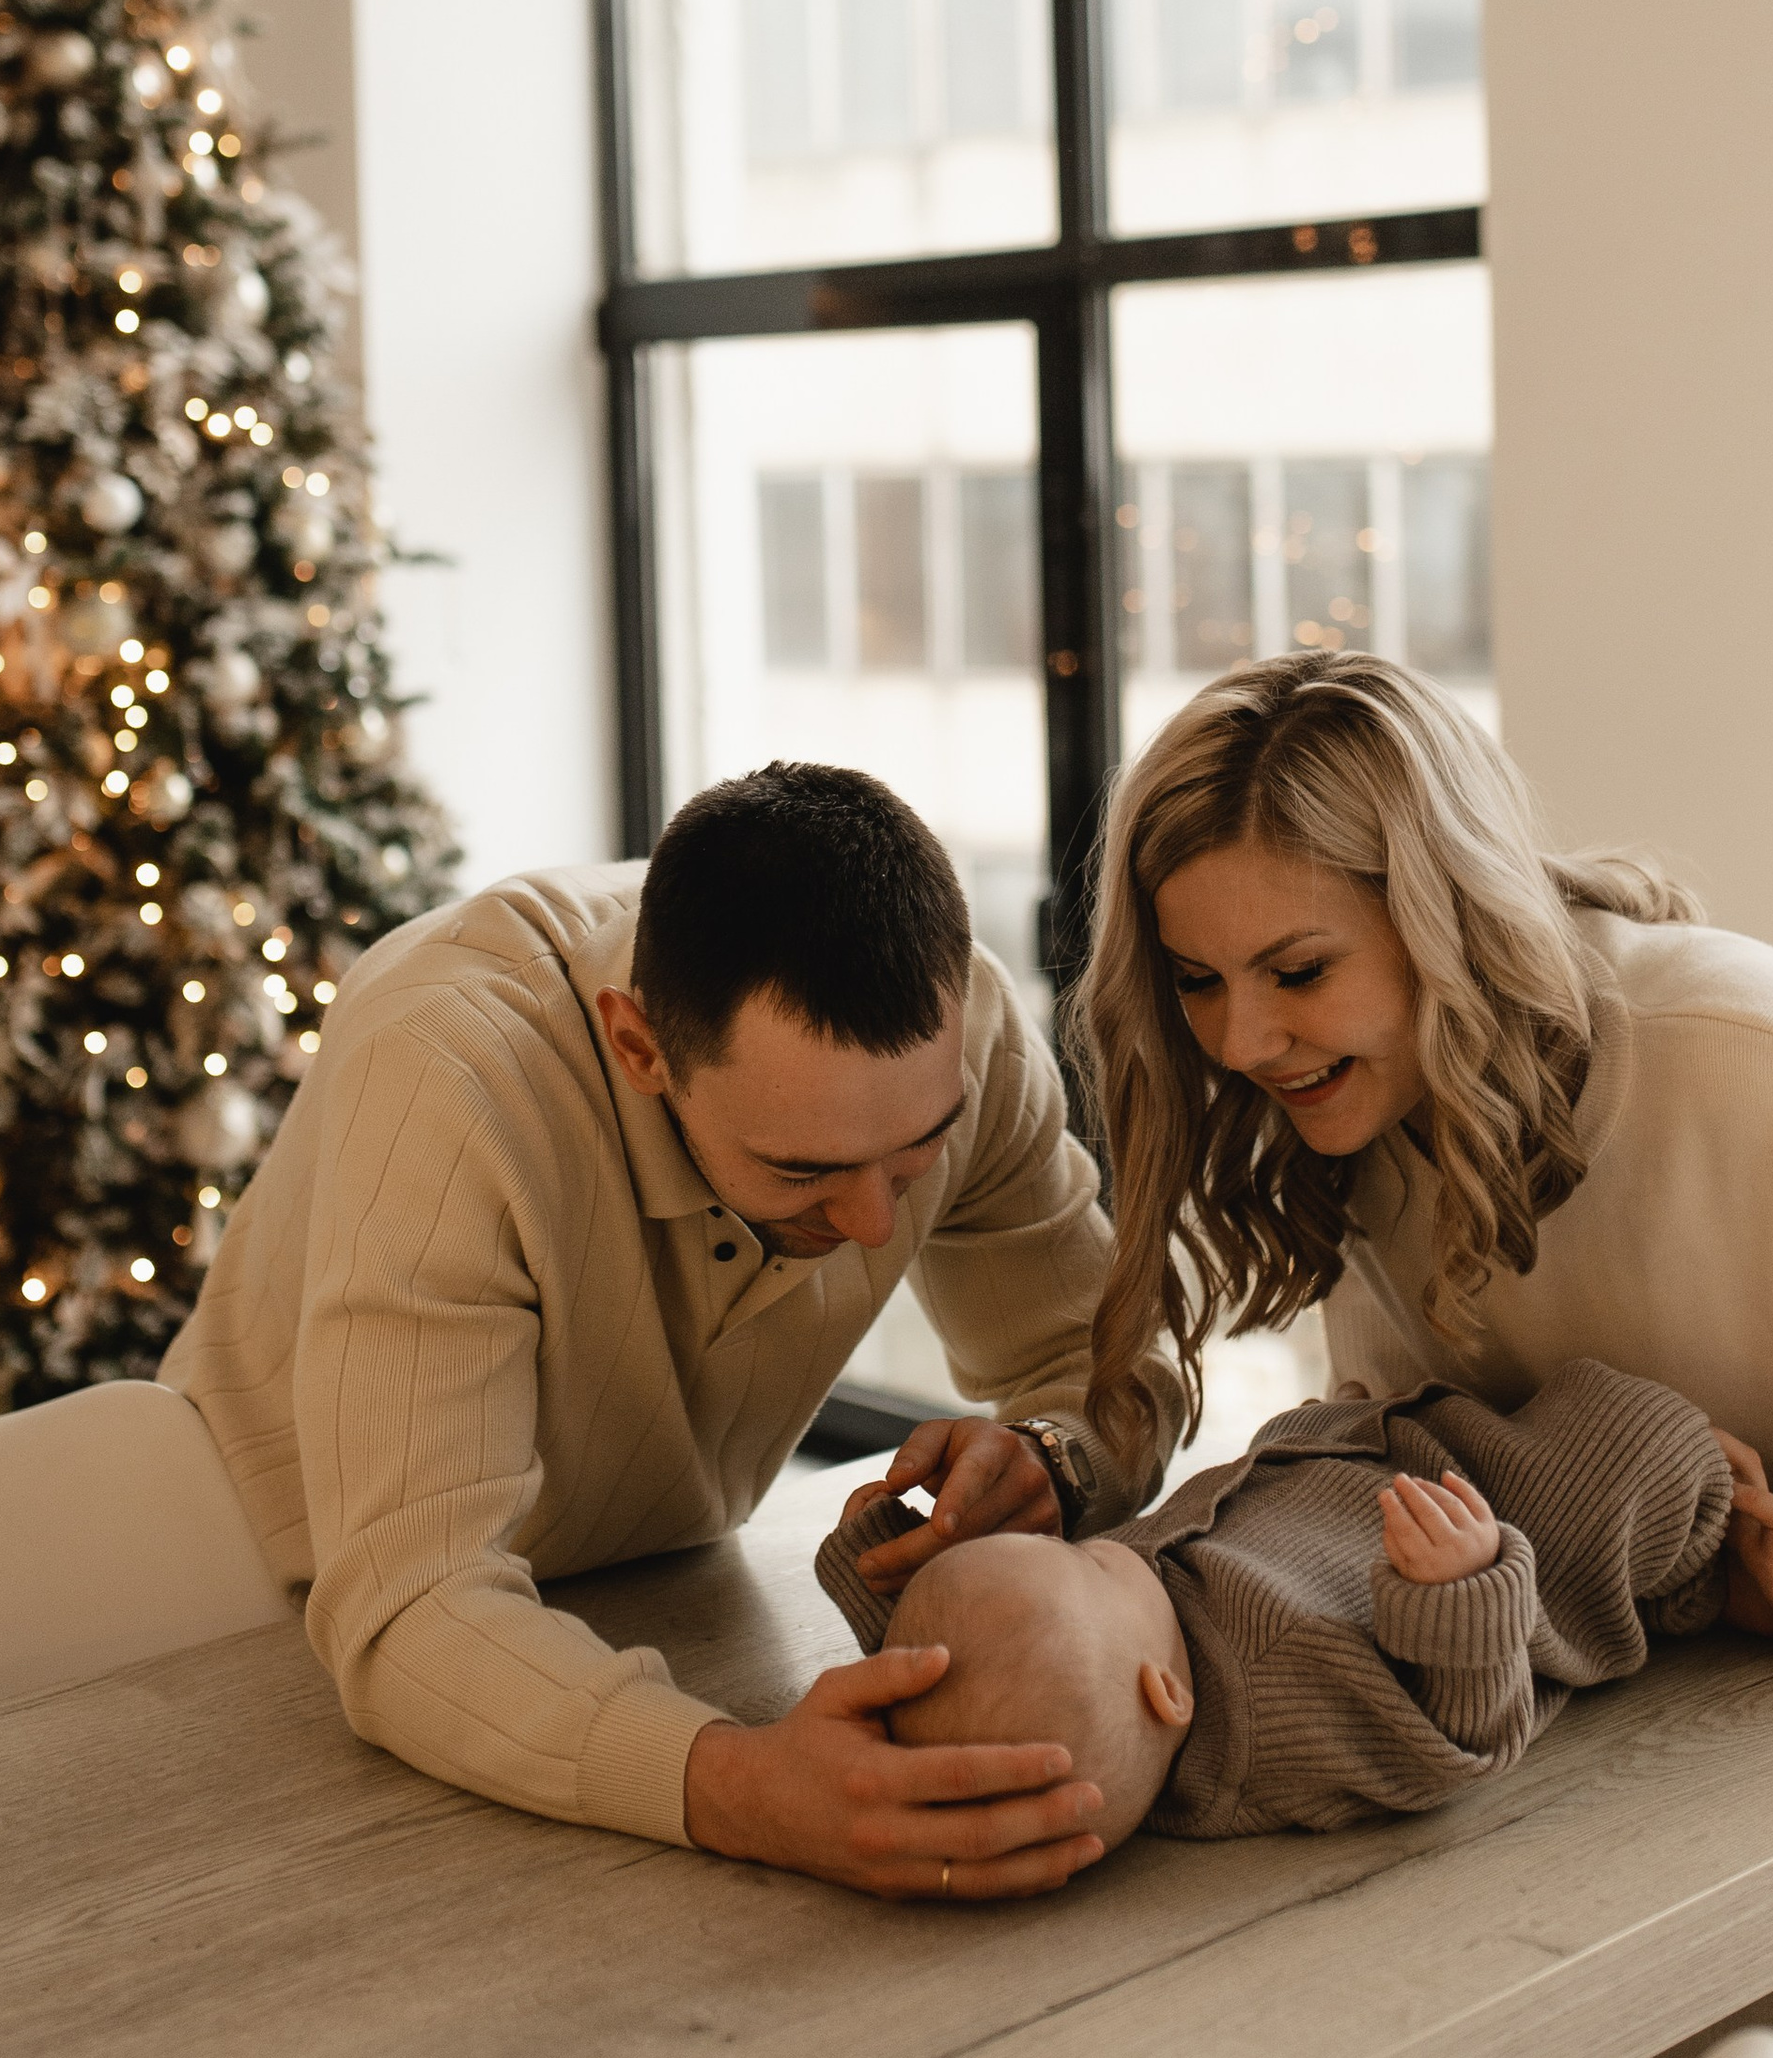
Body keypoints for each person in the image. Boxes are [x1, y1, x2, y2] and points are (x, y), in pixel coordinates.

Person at [164, 761, 1173, 1897]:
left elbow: (1115, 1363)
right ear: (639, 1046)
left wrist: (1054, 1456)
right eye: (804, 1169)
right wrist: (743, 1787)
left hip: (655, 1595)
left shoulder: (966, 1027)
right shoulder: (440, 1073)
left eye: (917, 1151)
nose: (872, 1221)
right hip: (252, 1636)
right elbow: (411, 1605)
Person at [1075, 651, 1773, 1669]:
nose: (1239, 1042)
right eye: (1196, 979)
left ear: (1439, 914)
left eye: (1298, 970)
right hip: (1652, 1719)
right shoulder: (1350, 1099)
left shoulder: (1754, 1059)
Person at [815, 1356, 1732, 1842]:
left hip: (1374, 1451)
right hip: (1503, 1533)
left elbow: (943, 1680)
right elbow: (1455, 1744)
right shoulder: (1274, 1717)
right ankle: (1697, 1583)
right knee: (1639, 1438)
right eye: (1088, 1564)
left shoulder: (1099, 1648)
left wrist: (881, 1560)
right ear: (1165, 1695)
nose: (1103, 1551)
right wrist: (1463, 1592)